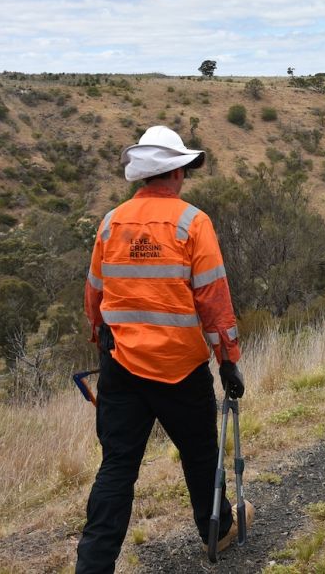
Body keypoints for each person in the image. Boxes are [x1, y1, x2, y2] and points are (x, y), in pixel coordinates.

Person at [78, 126, 250, 572]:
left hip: (122, 368)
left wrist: (102, 339)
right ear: (176, 172)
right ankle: (217, 530)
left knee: (117, 467)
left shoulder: (111, 222)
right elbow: (213, 298)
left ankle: (93, 565)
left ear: (142, 176)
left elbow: (95, 293)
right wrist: (228, 360)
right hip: (180, 369)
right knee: (199, 456)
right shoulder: (194, 222)